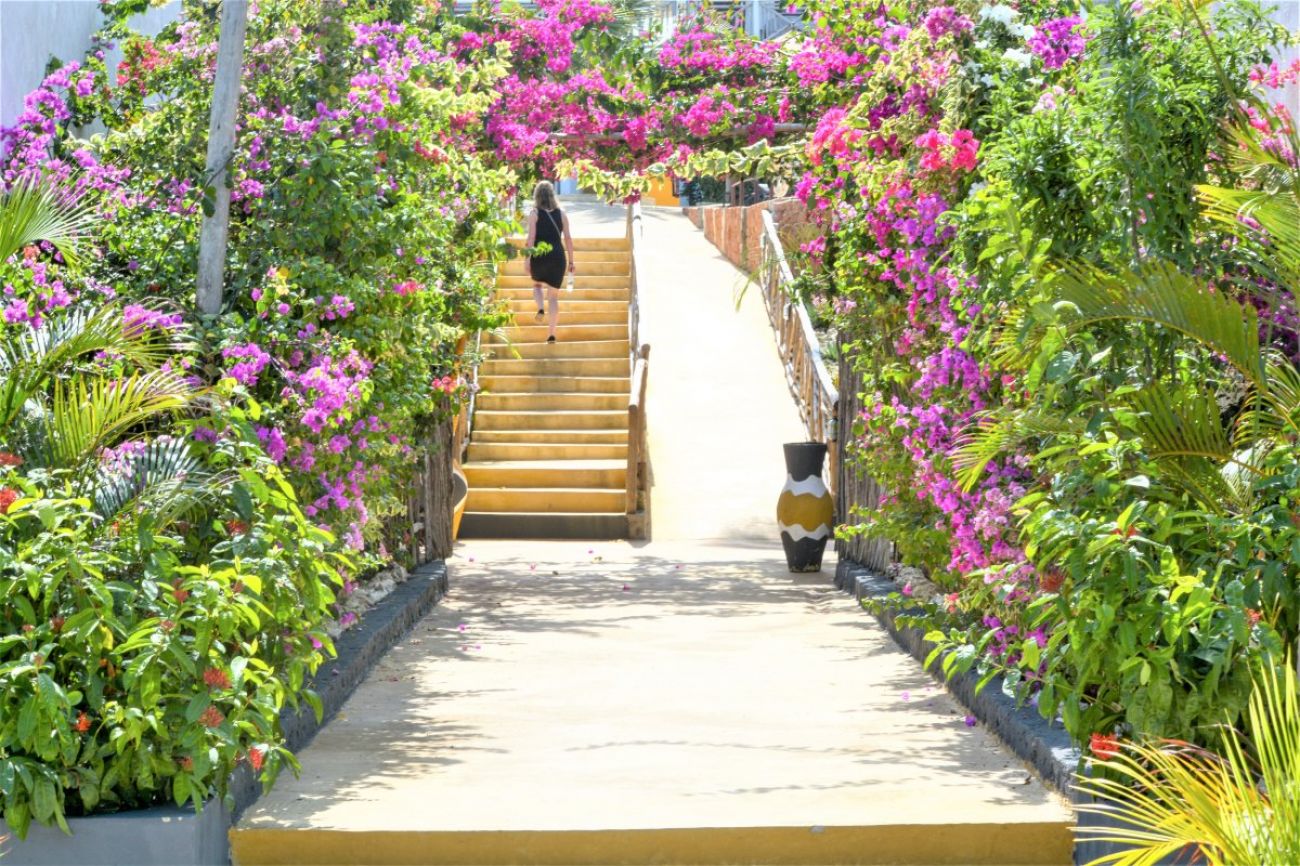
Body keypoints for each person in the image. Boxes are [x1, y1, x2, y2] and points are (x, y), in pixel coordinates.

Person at [524, 180, 576, 344]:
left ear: (537, 196)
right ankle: (551, 334)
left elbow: (531, 238)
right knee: (553, 297)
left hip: (540, 255)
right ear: (552, 195)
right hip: (558, 257)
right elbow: (568, 238)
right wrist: (571, 261)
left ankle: (540, 308)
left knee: (537, 285)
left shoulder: (534, 214)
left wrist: (527, 259)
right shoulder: (562, 214)